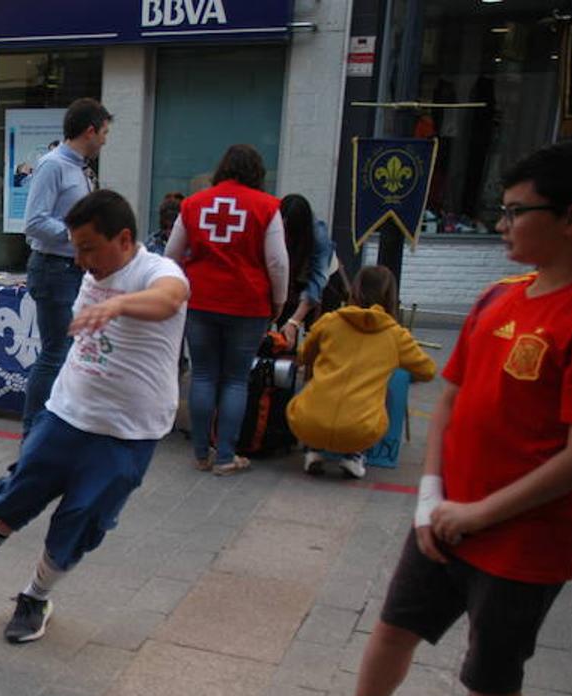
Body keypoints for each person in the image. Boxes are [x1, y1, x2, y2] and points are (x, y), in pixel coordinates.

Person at [277, 138, 572, 696]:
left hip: (524, 539)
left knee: (490, 672)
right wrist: (430, 499)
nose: (503, 224)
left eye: (517, 213)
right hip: (444, 520)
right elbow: (448, 394)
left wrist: (477, 515)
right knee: (393, 628)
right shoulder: (499, 297)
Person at [0, 190, 189, 643]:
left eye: (88, 248)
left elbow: (170, 299)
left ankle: (35, 596)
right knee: (10, 499)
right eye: (76, 248)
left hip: (127, 432)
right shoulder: (92, 269)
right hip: (65, 413)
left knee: (78, 524)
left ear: (123, 239)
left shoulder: (159, 272)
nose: (80, 261)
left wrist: (117, 304)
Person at [166, 144, 288, 475]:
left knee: (203, 374)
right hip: (248, 304)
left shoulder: (192, 205)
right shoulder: (266, 207)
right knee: (236, 379)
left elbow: (172, 253)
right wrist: (278, 301)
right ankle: (226, 457)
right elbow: (277, 261)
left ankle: (201, 453)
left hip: (201, 300)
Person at [287, 265, 436, 479]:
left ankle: (314, 450)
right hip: (360, 429)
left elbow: (302, 356)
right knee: (381, 398)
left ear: (355, 290)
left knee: (311, 390)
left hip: (308, 422)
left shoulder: (330, 321)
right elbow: (428, 371)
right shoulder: (396, 335)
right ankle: (354, 455)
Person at [21, 97, 113, 435]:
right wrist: (79, 239)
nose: (105, 139)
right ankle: (33, 431)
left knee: (69, 351)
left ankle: (58, 424)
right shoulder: (53, 165)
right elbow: (34, 221)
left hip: (74, 270)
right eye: (103, 132)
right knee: (55, 353)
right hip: (54, 269)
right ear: (89, 131)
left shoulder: (81, 168)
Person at [277, 193, 336, 347]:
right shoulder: (273, 221)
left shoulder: (319, 236)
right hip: (289, 281)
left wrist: (294, 322)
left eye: (289, 231)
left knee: (310, 337)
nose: (285, 235)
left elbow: (316, 284)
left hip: (316, 284)